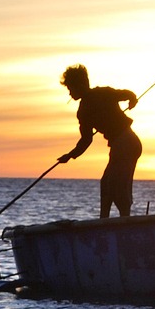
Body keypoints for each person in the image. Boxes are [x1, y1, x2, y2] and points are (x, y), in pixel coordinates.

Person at [57, 65, 142, 218]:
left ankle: (124, 220)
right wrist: (70, 155)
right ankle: (104, 220)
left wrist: (132, 100)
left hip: (126, 143)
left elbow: (128, 94)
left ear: (80, 85)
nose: (70, 93)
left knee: (119, 187)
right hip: (121, 144)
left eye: (71, 88)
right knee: (106, 184)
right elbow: (86, 140)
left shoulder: (102, 94)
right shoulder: (83, 110)